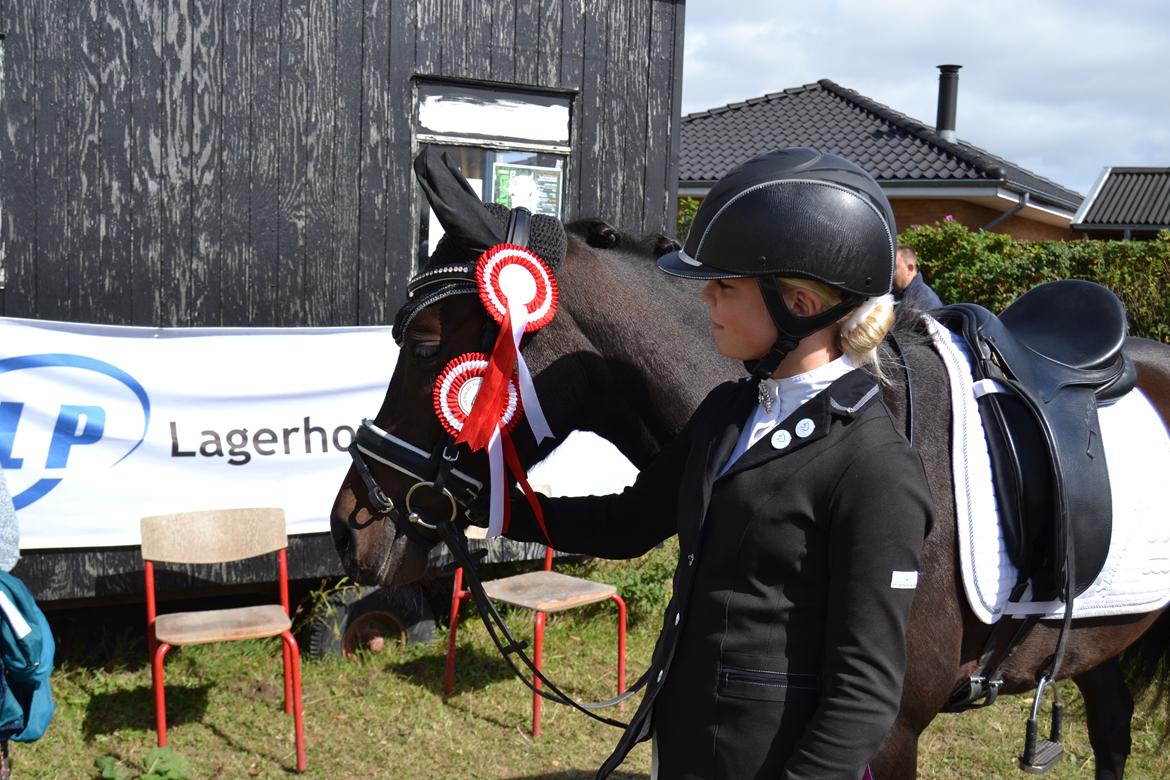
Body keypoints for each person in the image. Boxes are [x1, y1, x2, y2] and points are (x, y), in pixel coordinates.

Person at [503, 147, 933, 779]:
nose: (704, 296)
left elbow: (865, 693)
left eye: (725, 285)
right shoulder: (729, 409)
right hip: (686, 743)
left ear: (801, 306)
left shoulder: (875, 467)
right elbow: (629, 523)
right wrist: (492, 507)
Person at [894, 244, 943, 310]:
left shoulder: (926, 303)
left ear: (909, 269)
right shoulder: (897, 295)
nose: (890, 273)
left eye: (894, 268)